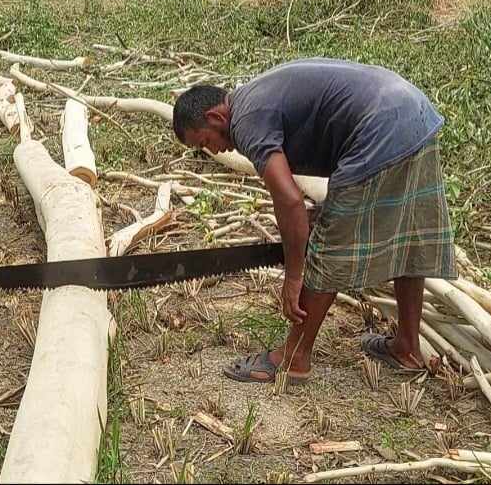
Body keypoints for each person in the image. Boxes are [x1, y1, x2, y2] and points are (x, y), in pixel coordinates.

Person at [172, 57, 456, 385]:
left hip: (381, 126)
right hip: (411, 113)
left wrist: (294, 276)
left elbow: (290, 200)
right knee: (405, 235)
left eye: (206, 142)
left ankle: (294, 360)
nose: (217, 151)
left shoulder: (246, 121)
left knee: (327, 249)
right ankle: (406, 348)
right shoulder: (254, 98)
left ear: (214, 116)